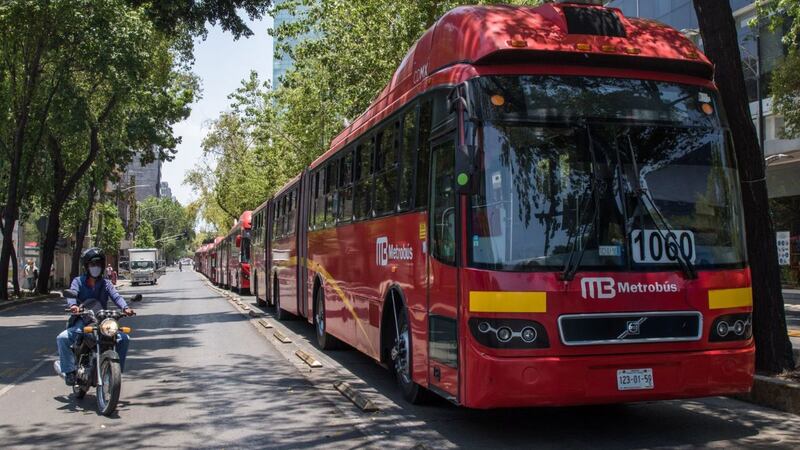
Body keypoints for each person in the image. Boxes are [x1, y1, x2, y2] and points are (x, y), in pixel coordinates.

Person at [56, 248, 134, 386]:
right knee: (62, 338)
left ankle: (116, 372)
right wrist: (73, 306)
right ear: (86, 266)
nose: (96, 267)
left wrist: (125, 308)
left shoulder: (106, 283)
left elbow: (116, 296)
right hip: (83, 320)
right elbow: (72, 293)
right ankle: (69, 371)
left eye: (98, 264)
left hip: (102, 320)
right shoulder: (78, 281)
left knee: (124, 338)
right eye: (93, 264)